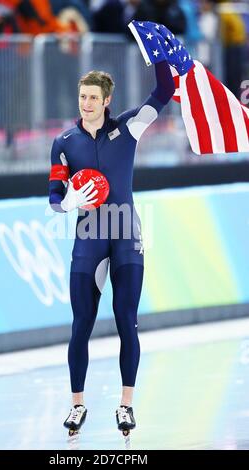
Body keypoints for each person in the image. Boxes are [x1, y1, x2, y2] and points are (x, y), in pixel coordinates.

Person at [48, 60, 175, 435]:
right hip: (89, 237)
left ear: (107, 100)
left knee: (126, 321)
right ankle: (77, 406)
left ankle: (125, 405)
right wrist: (68, 202)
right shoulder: (64, 143)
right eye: (82, 97)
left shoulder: (128, 128)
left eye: (92, 98)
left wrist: (161, 58)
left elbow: (163, 93)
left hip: (125, 235)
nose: (85, 103)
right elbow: (55, 197)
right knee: (81, 324)